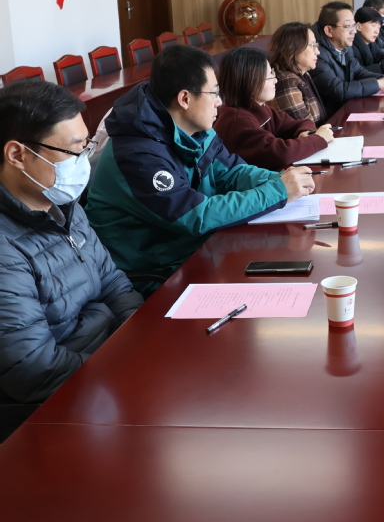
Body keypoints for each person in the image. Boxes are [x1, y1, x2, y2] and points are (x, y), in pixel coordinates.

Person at [85, 45, 315, 288]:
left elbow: (231, 172)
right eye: (214, 93)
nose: (219, 102)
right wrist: (279, 191)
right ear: (185, 99)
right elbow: (195, 215)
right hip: (156, 273)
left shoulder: (194, 128)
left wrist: (279, 179)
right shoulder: (138, 154)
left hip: (195, 250)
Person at [0, 80, 142, 439]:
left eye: (86, 147)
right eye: (72, 151)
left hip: (108, 365)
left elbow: (113, 282)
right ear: (17, 155)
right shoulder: (5, 247)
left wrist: (142, 338)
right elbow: (34, 369)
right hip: (59, 408)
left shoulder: (61, 203)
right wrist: (123, 370)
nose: (83, 162)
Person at [214, 46, 334, 171]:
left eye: (272, 73)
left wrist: (305, 133)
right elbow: (281, 154)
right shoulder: (237, 120)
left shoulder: (260, 108)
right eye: (269, 75)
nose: (275, 80)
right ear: (248, 80)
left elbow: (301, 123)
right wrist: (318, 139)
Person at [310, 1, 384, 119]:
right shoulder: (317, 54)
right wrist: (378, 84)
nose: (354, 31)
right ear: (329, 30)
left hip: (347, 110)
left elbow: (358, 71)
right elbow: (338, 90)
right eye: (348, 26)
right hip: (332, 119)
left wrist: (382, 78)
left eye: (354, 25)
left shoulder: (345, 46)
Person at [268, 22, 330, 126]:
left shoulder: (303, 74)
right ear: (293, 48)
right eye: (312, 45)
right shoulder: (286, 82)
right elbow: (306, 130)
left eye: (316, 46)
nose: (318, 52)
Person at [350, 6, 384, 77]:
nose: (377, 31)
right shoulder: (350, 47)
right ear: (359, 26)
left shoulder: (371, 44)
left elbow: (382, 56)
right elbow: (359, 72)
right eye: (373, 26)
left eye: (379, 27)